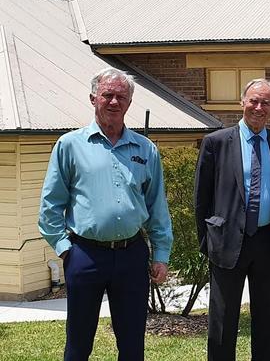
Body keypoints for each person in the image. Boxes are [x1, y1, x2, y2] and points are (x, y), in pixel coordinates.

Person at [38, 67, 173, 361]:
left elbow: (157, 207)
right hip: (84, 255)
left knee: (132, 342)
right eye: (107, 95)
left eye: (121, 97)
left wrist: (161, 254)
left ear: (129, 103)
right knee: (79, 342)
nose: (114, 102)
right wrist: (66, 251)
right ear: (93, 98)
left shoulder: (145, 149)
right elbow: (50, 207)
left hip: (132, 255)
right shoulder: (70, 145)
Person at [194, 79, 270, 361]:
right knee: (222, 320)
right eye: (253, 100)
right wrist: (207, 240)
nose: (258, 107)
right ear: (242, 102)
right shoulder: (216, 143)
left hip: (268, 239)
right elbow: (201, 197)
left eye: (265, 102)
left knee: (266, 318)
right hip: (227, 240)